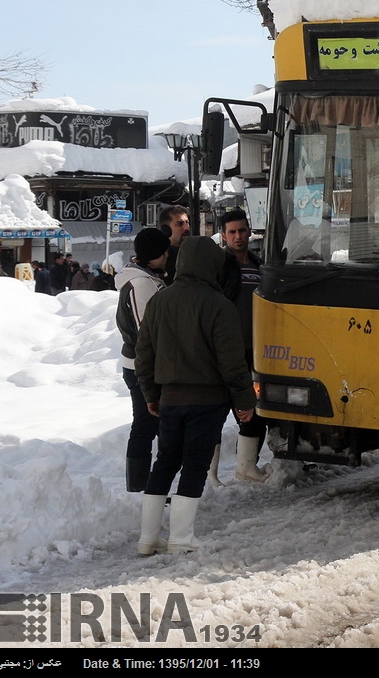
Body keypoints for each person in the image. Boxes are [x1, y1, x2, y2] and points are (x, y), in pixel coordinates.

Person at [135, 236, 256, 555]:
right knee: (194, 463)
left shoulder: (160, 301)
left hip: (170, 398)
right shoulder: (219, 305)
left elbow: (143, 353)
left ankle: (148, 539)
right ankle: (181, 538)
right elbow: (232, 363)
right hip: (207, 400)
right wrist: (244, 402)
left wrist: (150, 392)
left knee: (165, 462)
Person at [115, 228, 170, 494]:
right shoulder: (142, 284)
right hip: (141, 366)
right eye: (164, 251)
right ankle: (138, 487)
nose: (168, 255)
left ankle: (144, 485)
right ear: (156, 255)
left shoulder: (148, 278)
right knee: (145, 425)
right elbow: (147, 331)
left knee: (149, 424)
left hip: (140, 363)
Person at [219, 209, 269, 483]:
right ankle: (213, 475)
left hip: (256, 351)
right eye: (232, 232)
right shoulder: (221, 267)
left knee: (254, 409)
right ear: (224, 235)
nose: (238, 236)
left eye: (241, 230)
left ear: (250, 231)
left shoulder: (259, 265)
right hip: (228, 351)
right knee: (219, 411)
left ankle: (246, 466)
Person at [159, 205, 192, 284]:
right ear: (166, 229)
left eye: (187, 223)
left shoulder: (193, 252)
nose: (186, 228)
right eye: (180, 224)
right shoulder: (161, 257)